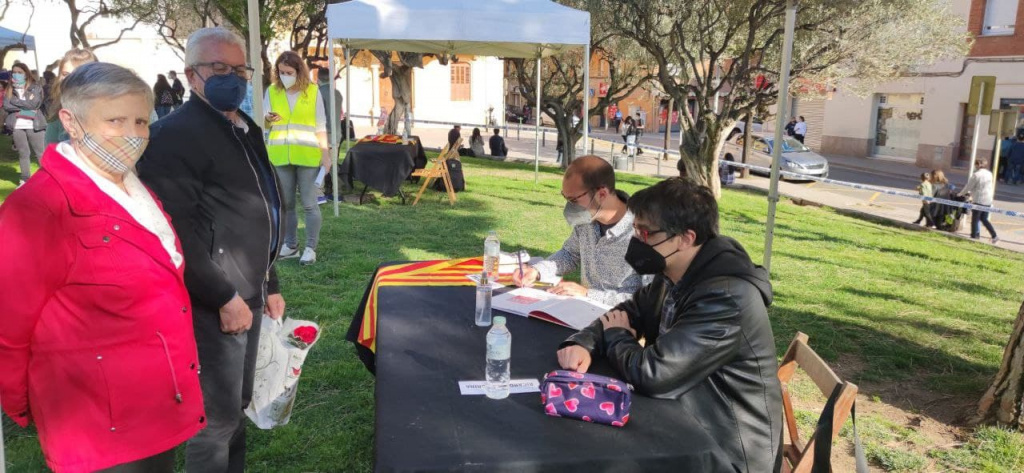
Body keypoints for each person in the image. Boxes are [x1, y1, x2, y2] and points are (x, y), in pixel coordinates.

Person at [0, 62, 205, 473]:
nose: (132, 133)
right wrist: (29, 403)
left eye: (141, 121)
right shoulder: (39, 209)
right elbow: (9, 326)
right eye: (115, 119)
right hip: (97, 423)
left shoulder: (132, 188)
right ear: (71, 122)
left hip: (154, 405)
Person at [556, 177, 783, 473]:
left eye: (645, 232)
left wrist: (614, 336)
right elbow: (629, 311)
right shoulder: (677, 270)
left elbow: (653, 373)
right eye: (636, 229)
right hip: (685, 420)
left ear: (686, 238)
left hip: (725, 452)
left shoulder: (725, 298)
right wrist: (583, 341)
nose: (637, 240)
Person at [137, 27, 286, 473]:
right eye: (219, 69)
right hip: (216, 297)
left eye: (240, 69)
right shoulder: (173, 136)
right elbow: (178, 233)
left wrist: (270, 282)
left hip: (252, 289)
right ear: (191, 76)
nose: (233, 78)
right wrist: (222, 297)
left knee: (238, 406)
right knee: (216, 419)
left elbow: (260, 207)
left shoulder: (242, 126)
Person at [513, 156, 645, 305]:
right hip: (582, 312)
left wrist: (587, 294)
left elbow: (646, 300)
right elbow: (570, 254)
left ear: (602, 194)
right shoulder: (586, 220)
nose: (569, 206)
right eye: (566, 198)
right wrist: (537, 271)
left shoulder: (644, 233)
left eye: (574, 200)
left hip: (621, 321)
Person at [262, 51, 330, 266]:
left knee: (309, 204)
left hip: (307, 155)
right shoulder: (272, 91)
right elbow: (265, 123)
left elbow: (320, 125)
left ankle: (311, 247)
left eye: (289, 72)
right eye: (281, 72)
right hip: (280, 155)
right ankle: (290, 245)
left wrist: (325, 154)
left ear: (299, 71)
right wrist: (267, 119)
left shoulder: (312, 91)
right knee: (287, 204)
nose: (284, 76)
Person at [4, 62, 47, 187]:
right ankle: (25, 179)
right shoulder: (9, 88)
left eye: (20, 72)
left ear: (26, 73)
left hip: (35, 124)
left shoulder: (35, 87)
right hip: (17, 126)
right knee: (23, 153)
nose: (16, 75)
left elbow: (35, 105)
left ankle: (47, 178)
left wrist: (15, 102)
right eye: (14, 72)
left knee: (40, 153)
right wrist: (25, 105)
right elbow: (7, 105)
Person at [45, 48, 99, 145]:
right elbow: (50, 152)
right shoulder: (58, 111)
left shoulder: (109, 110)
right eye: (65, 74)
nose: (70, 79)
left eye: (77, 74)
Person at [959, 159, 998, 243]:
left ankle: (974, 236)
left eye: (975, 165)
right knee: (984, 219)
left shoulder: (976, 175)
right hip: (988, 200)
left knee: (975, 219)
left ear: (978, 165)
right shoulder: (989, 174)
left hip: (979, 200)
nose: (975, 166)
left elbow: (968, 187)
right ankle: (994, 235)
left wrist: (960, 194)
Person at [318, 67, 343, 145]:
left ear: (318, 79)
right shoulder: (337, 93)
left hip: (324, 135)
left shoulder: (318, 94)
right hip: (337, 133)